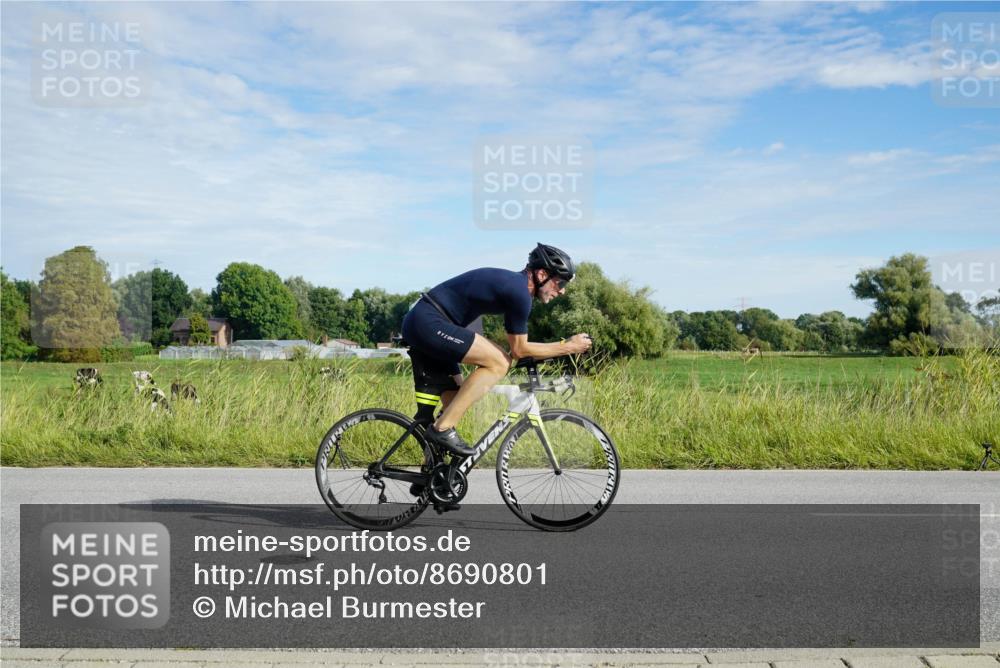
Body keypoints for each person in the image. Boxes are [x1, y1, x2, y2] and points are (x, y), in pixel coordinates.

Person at [401, 243, 593, 457]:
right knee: (499, 362)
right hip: (428, 322)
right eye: (560, 282)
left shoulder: (516, 289)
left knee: (456, 400)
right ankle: (441, 430)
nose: (562, 290)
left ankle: (432, 474)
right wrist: (568, 347)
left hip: (432, 323)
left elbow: (519, 349)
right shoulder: (520, 293)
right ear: (541, 274)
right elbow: (519, 350)